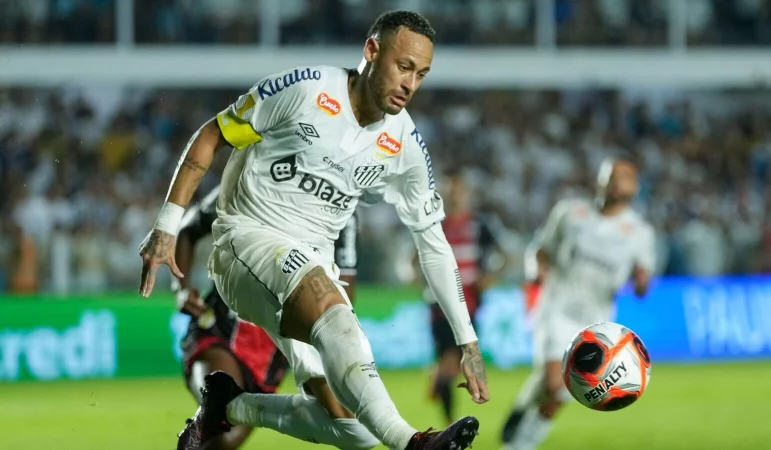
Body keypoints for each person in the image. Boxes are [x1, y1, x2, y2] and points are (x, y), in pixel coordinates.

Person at [137, 10, 489, 450]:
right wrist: (167, 227)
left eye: (421, 74)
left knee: (355, 426)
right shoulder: (304, 89)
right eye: (403, 67)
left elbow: (433, 243)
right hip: (245, 240)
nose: (410, 85)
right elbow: (211, 134)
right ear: (371, 51)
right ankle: (414, 444)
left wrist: (467, 341)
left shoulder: (404, 145)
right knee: (324, 295)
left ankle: (229, 407)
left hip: (311, 261)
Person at [174, 185, 360, 450]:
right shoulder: (254, 176)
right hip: (221, 327)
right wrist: (180, 289)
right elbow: (189, 228)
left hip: (275, 348)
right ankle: (212, 412)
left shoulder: (344, 207)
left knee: (225, 441)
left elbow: (346, 289)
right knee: (221, 414)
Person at [501, 157, 656, 450]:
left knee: (561, 388)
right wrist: (537, 272)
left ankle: (522, 417)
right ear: (600, 180)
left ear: (634, 188)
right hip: (556, 306)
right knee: (554, 383)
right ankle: (519, 444)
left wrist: (641, 281)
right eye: (611, 175)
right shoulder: (571, 212)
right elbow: (541, 249)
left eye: (623, 177)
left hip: (597, 323)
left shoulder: (639, 233)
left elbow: (642, 284)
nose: (615, 182)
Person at [421, 171, 504, 425]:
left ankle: (439, 381)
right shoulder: (433, 223)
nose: (455, 195)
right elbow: (414, 258)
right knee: (452, 362)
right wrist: (416, 274)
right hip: (440, 305)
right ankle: (448, 423)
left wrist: (489, 277)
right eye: (451, 190)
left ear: (466, 194)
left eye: (459, 190)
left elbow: (501, 256)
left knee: (454, 363)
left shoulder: (480, 224)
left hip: (470, 304)